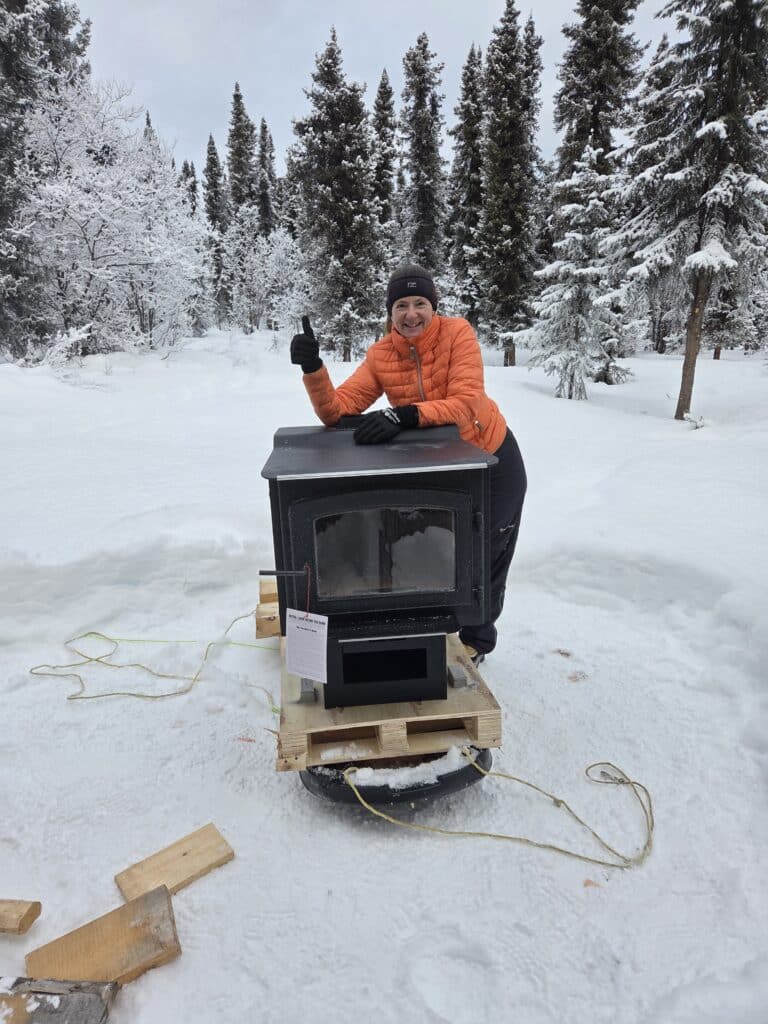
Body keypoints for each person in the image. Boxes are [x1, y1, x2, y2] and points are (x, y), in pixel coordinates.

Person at [289, 263, 526, 664]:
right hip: (439, 467)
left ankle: (477, 638)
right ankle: (426, 628)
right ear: (390, 312)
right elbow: (337, 411)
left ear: (434, 307)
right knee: (437, 551)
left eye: (419, 303)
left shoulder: (458, 334)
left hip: (491, 459)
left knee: (486, 551)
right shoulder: (382, 354)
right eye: (401, 305)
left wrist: (405, 415)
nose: (411, 313)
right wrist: (313, 369)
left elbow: (466, 403)